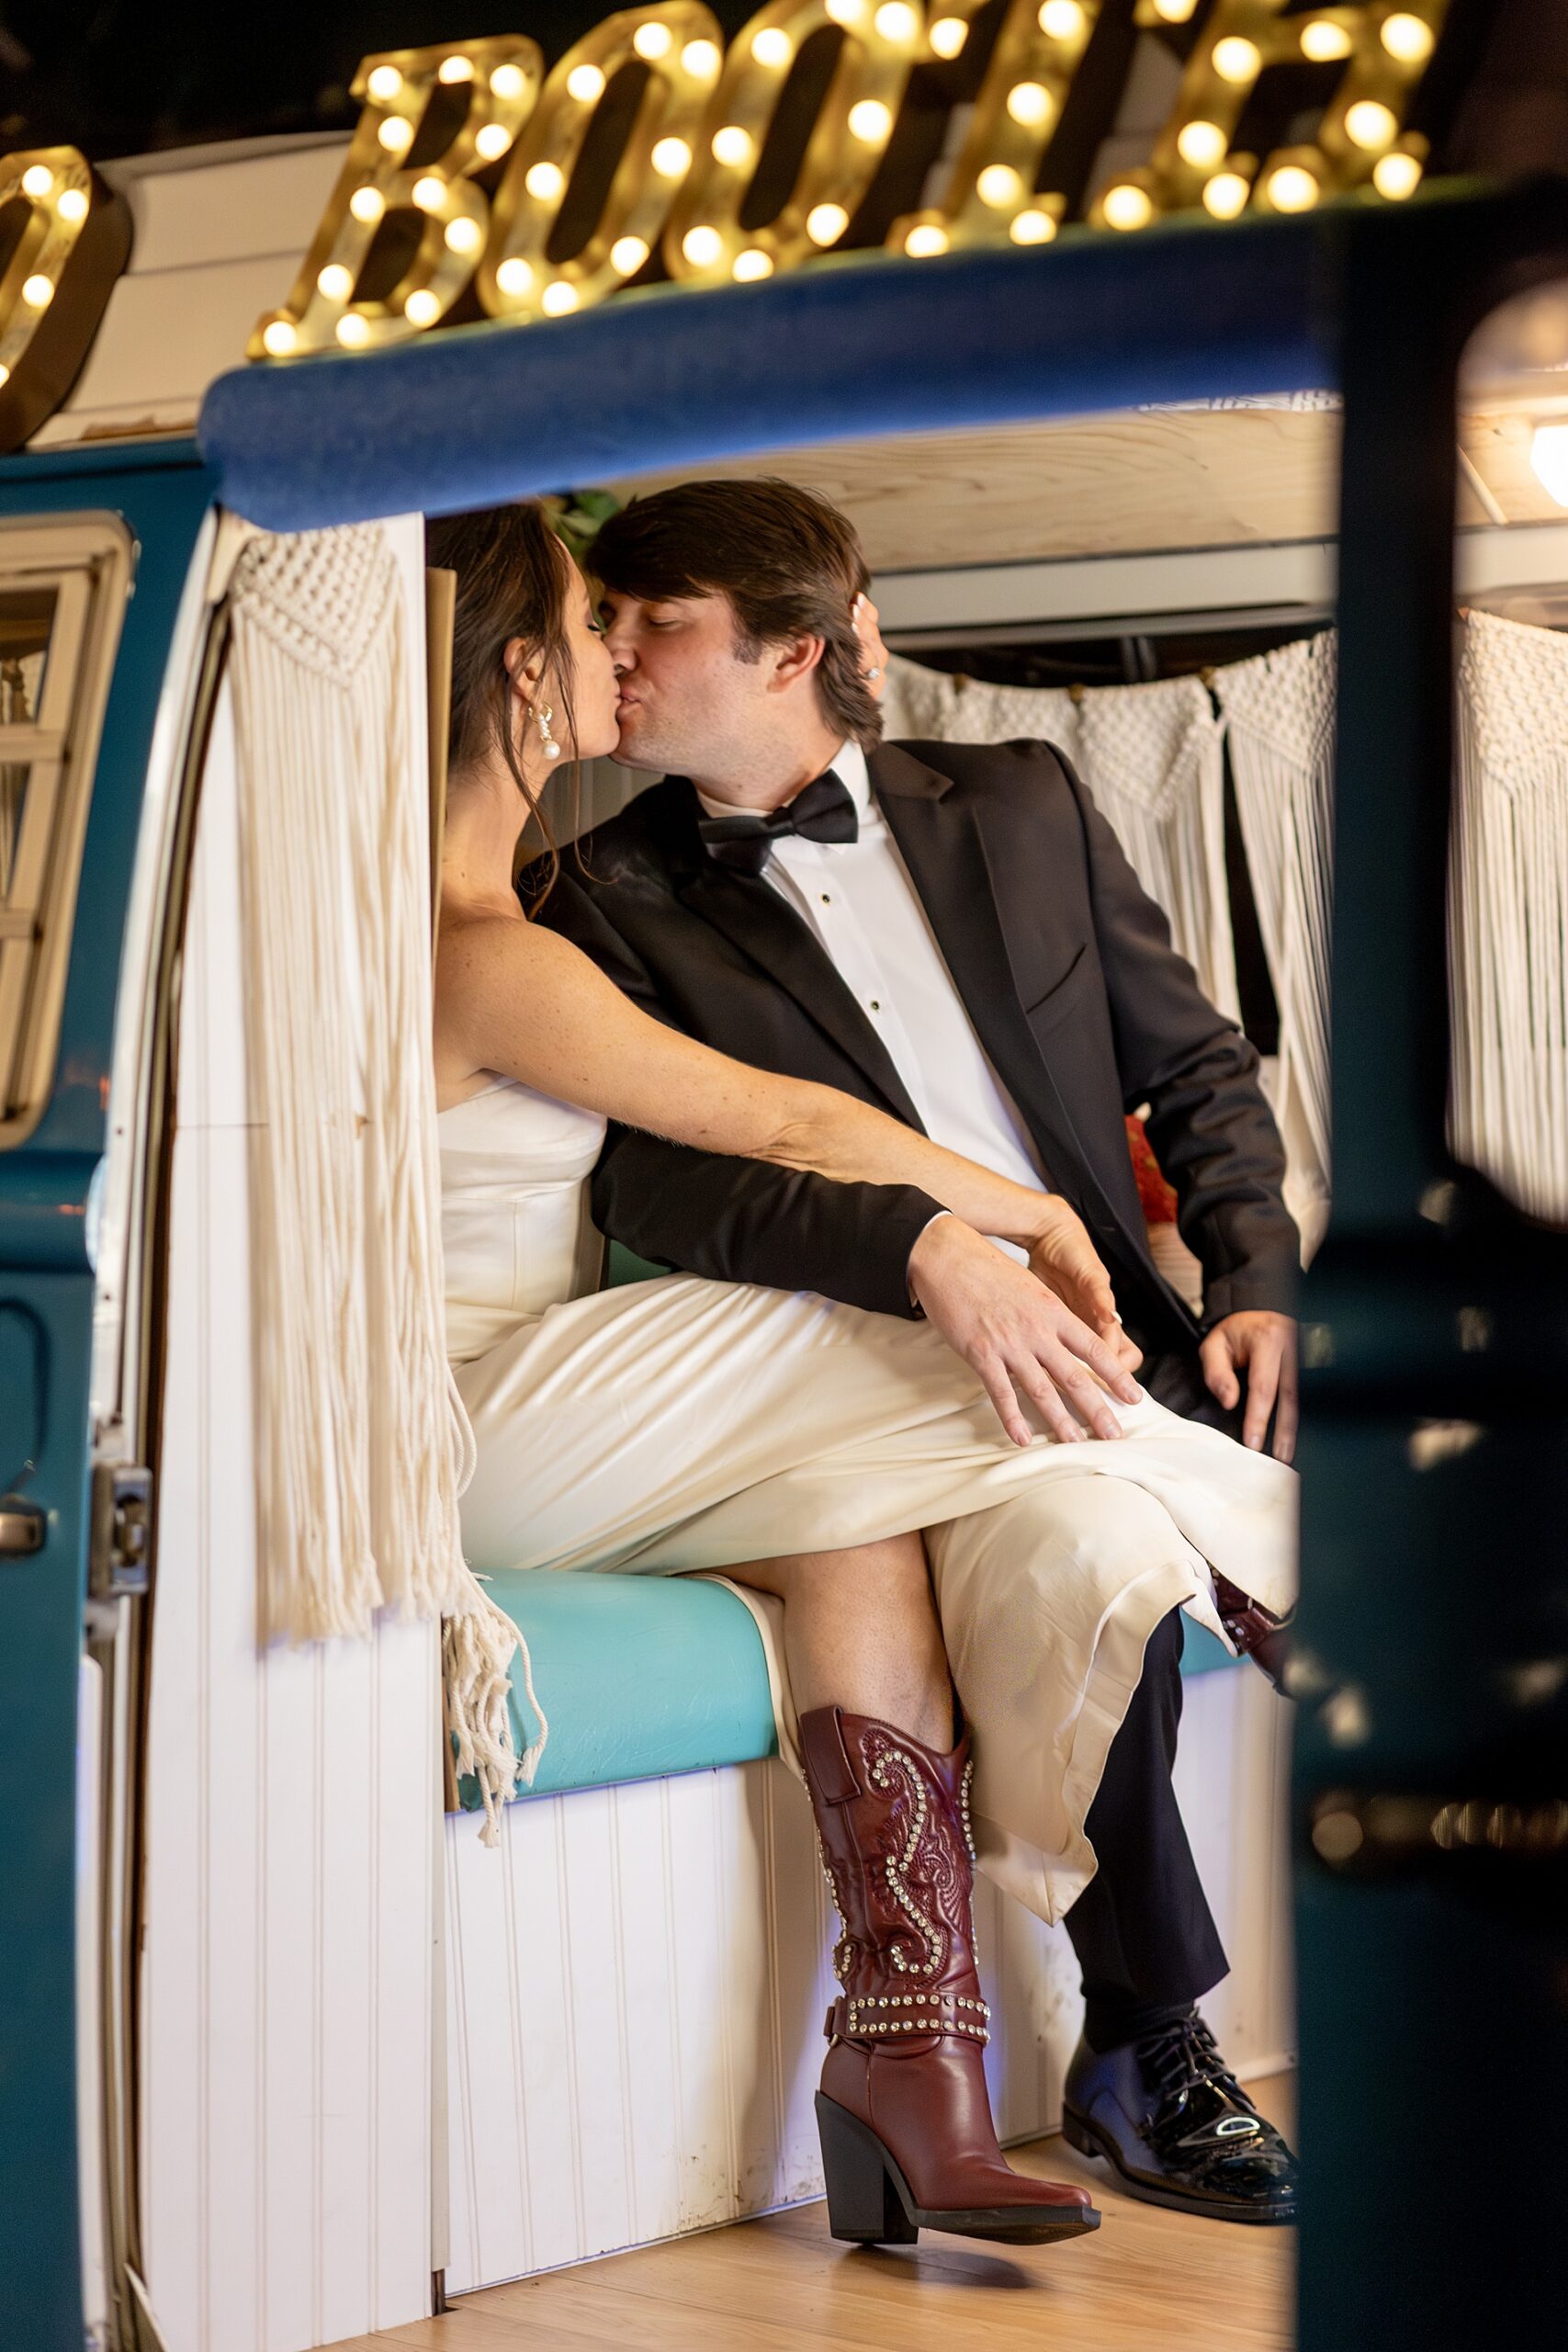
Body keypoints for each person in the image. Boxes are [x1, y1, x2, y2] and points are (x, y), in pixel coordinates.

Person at [429, 501, 1299, 2249]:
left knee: (1072, 1550)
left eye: (653, 622)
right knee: (1074, 1478)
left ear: (796, 649)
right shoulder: (578, 896)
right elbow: (692, 1172)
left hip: (1052, 1346)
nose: (621, 657)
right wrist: (959, 1250)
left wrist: (1252, 1272)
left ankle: (994, 2062)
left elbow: (1195, 1060)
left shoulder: (1025, 802)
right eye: (599, 628)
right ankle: (1337, 1593)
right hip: (917, 1336)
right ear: (519, 675)